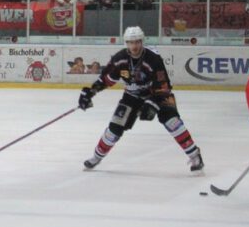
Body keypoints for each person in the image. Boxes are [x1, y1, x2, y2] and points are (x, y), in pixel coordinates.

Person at [78, 26, 204, 172]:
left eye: (137, 42)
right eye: (131, 42)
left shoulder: (153, 58)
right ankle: (97, 157)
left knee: (172, 121)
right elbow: (106, 79)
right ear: (126, 43)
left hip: (157, 94)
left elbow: (164, 86)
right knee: (115, 127)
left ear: (142, 41)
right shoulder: (119, 59)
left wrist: (152, 104)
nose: (134, 46)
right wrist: (90, 92)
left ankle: (195, 155)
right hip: (132, 96)